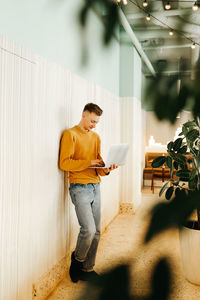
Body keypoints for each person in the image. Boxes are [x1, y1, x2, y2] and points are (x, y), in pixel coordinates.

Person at [59, 103, 118, 282]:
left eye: (96, 122)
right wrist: (88, 162)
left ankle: (87, 269)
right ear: (84, 115)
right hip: (79, 187)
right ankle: (77, 261)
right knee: (89, 229)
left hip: (95, 185)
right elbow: (64, 163)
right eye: (92, 121)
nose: (94, 124)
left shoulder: (96, 137)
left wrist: (107, 168)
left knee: (97, 231)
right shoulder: (70, 134)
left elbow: (97, 165)